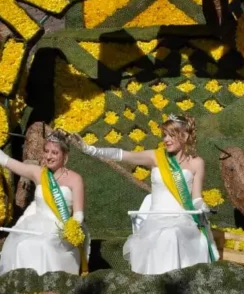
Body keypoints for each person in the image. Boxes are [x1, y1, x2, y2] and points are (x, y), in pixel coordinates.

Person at [73, 114, 218, 274]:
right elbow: (123, 155)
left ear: (184, 136)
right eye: (164, 135)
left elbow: (196, 198)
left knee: (172, 234)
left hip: (182, 219)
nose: (166, 139)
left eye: (171, 135)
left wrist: (202, 207)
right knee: (165, 235)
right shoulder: (156, 156)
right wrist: (90, 149)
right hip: (156, 219)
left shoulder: (197, 163)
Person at [0, 117, 89, 276]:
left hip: (60, 232)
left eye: (54, 152)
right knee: (24, 246)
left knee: (44, 246)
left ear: (64, 156)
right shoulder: (38, 173)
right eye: (46, 151)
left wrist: (71, 228)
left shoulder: (75, 179)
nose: (49, 156)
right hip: (35, 226)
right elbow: (5, 161)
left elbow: (78, 214)